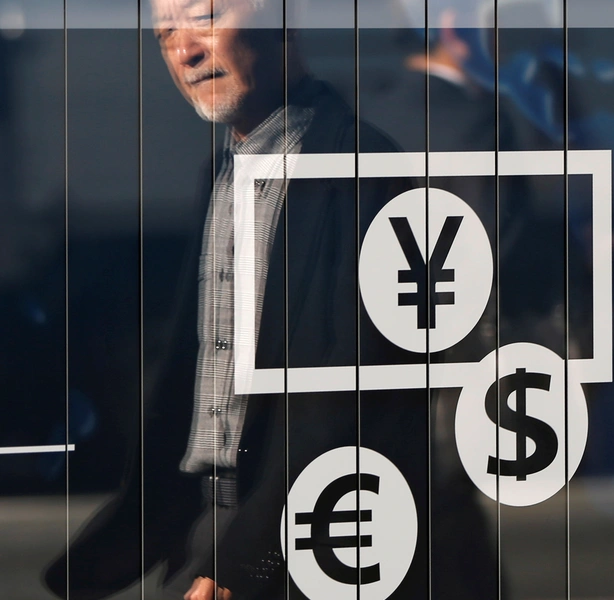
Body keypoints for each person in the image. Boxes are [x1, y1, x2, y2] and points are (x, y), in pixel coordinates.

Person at [45, 0, 409, 599]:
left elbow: (351, 398)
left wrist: (246, 559)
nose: (184, 51)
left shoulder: (363, 166)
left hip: (298, 527)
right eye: (166, 34)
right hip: (210, 521)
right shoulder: (224, 170)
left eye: (204, 17)